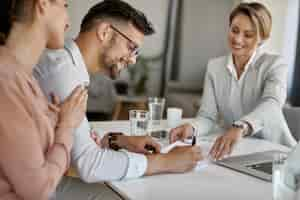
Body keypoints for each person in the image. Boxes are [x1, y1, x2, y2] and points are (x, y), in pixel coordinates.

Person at [34, 0, 203, 199]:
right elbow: (88, 163)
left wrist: (117, 141)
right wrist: (165, 162)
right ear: (105, 32)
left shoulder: (71, 68)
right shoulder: (64, 73)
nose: (132, 59)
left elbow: (74, 138)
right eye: (131, 47)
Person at [170, 2, 296, 161]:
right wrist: (192, 128)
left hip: (277, 154)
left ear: (263, 38)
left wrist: (240, 127)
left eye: (248, 35)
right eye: (234, 30)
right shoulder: (214, 67)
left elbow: (272, 104)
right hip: (237, 151)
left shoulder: (275, 65)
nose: (237, 39)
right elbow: (207, 116)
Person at [0, 0, 88, 199]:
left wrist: (56, 123)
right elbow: (38, 190)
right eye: (65, 6)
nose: (69, 21)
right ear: (43, 4)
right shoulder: (6, 81)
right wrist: (67, 127)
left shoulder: (24, 77)